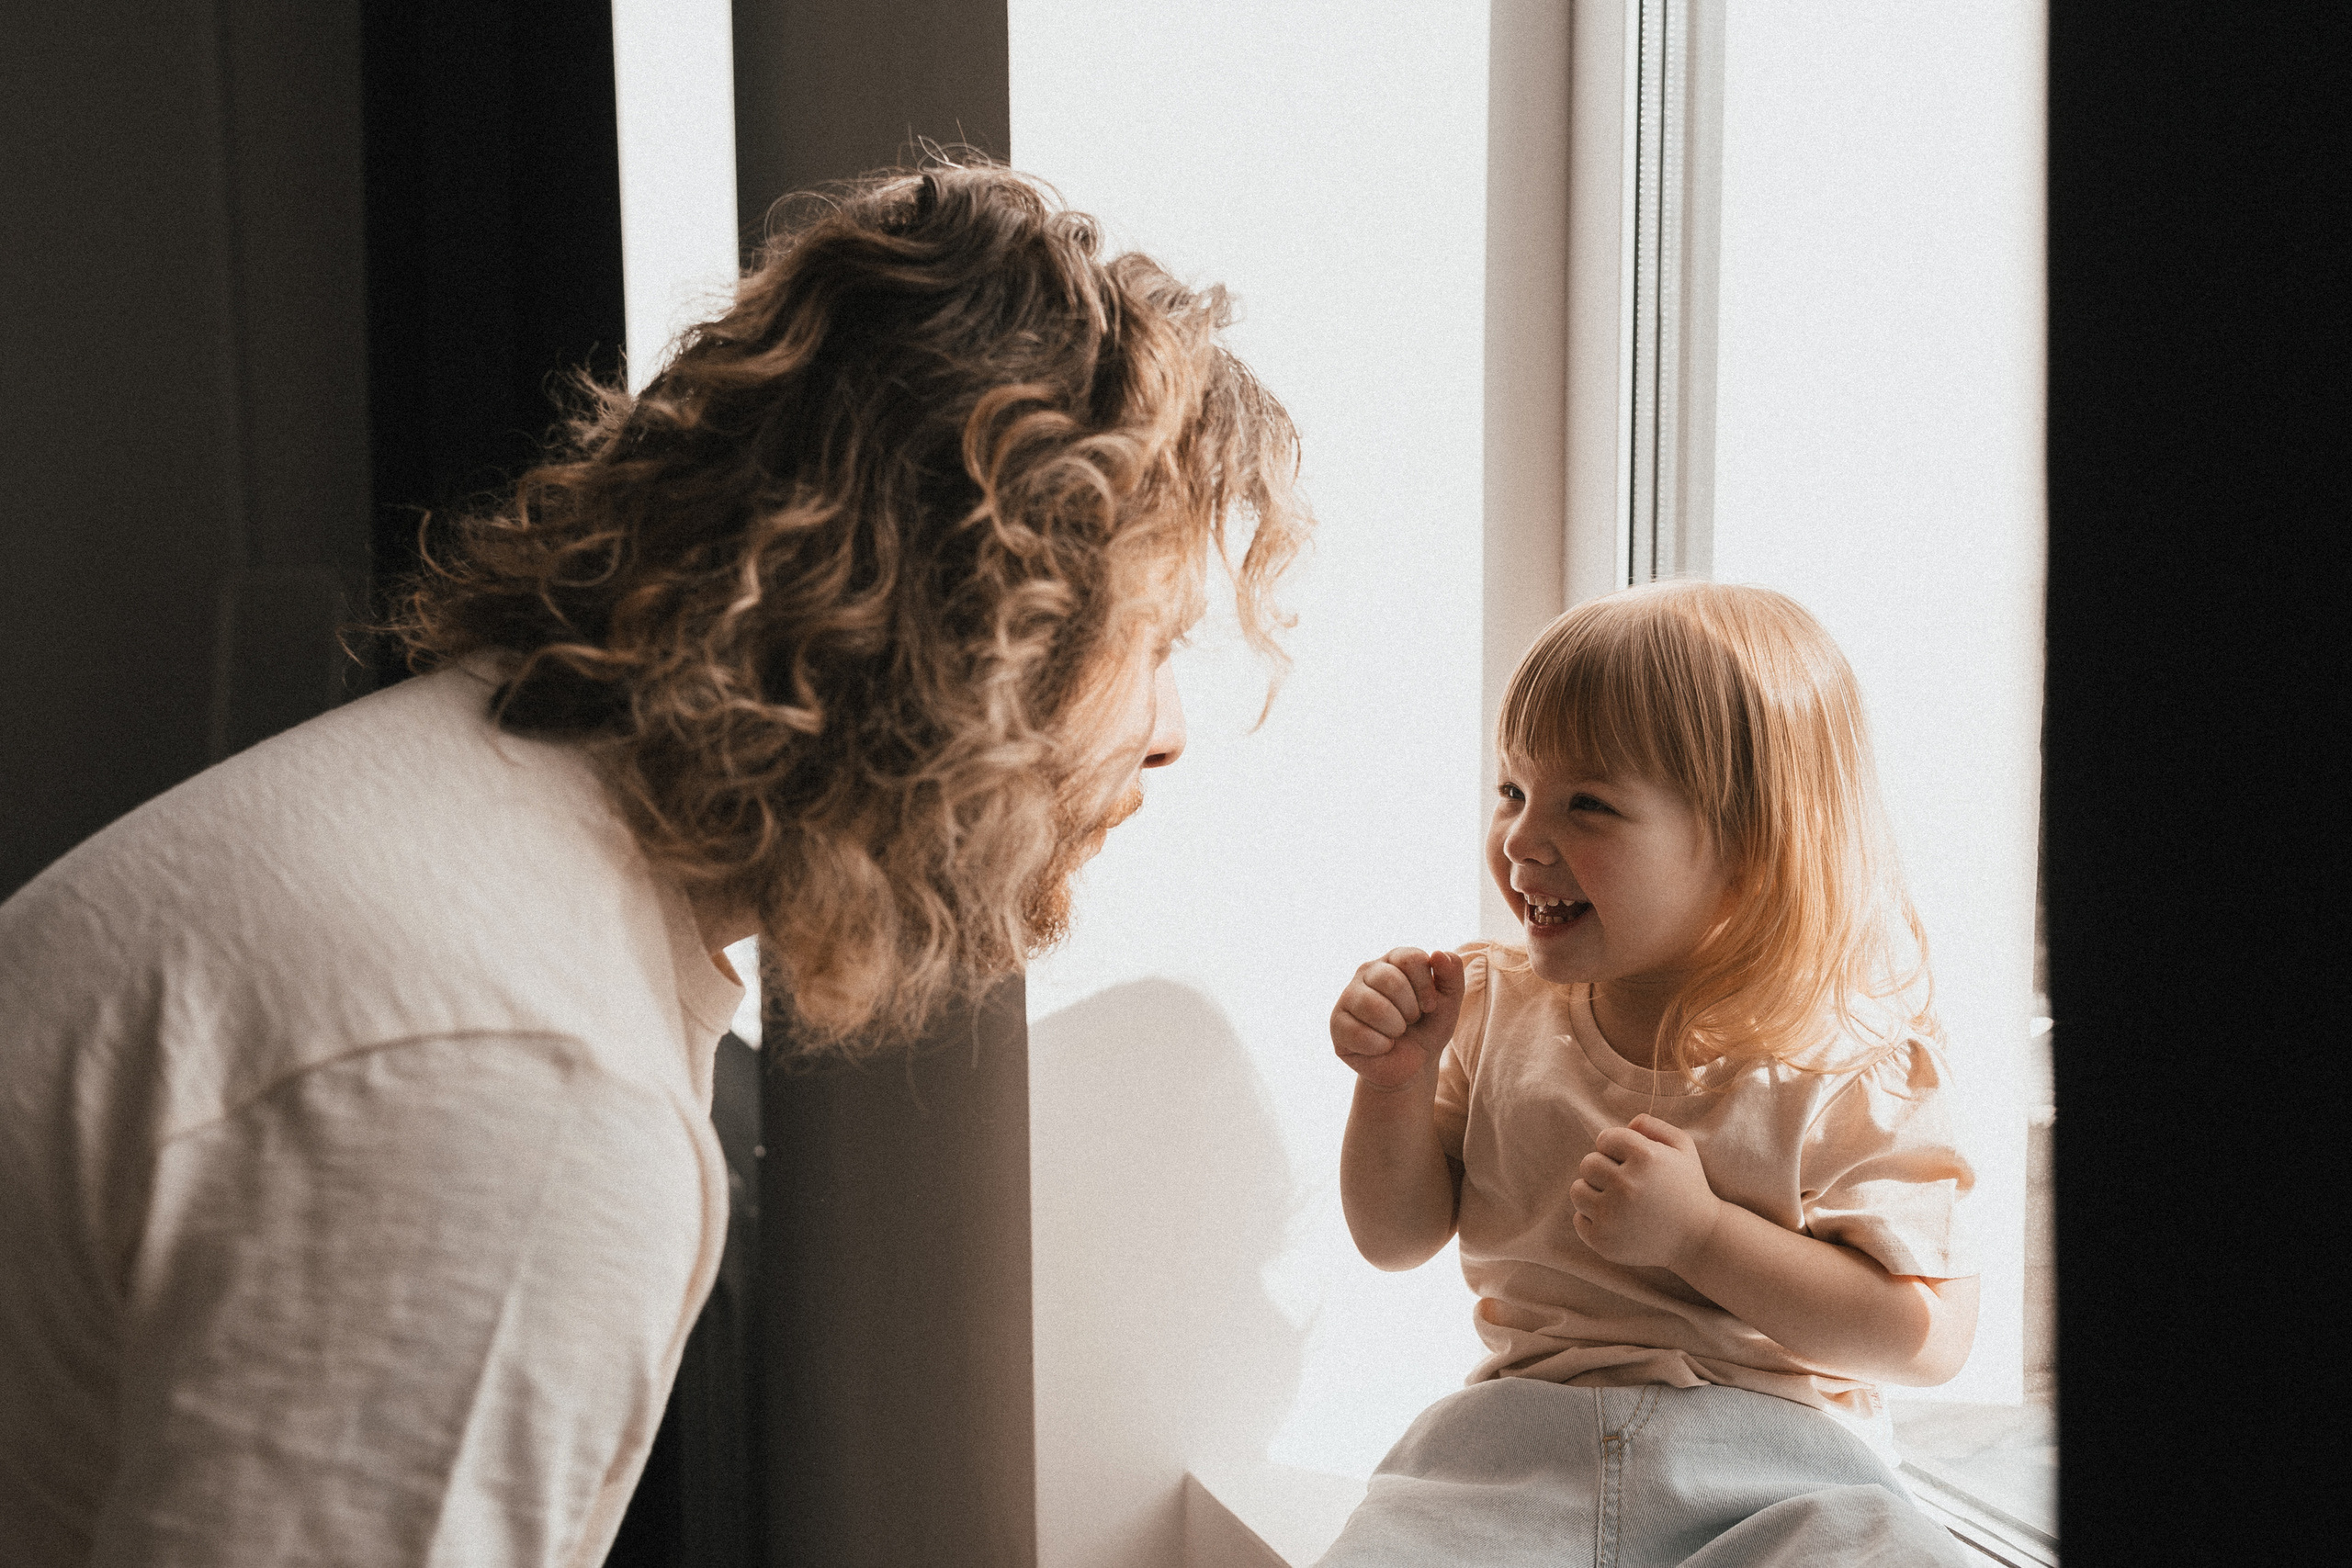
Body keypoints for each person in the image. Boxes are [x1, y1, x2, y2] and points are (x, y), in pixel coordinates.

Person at [0, 161, 1308, 1567]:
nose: (1168, 735)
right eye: (1156, 639)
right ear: (972, 630)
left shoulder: (464, 807)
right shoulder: (520, 1078)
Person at [1321, 581, 1978, 1566]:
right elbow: (1394, 1236)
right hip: (1512, 1459)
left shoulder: (1846, 1056)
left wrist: (1702, 1236)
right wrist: (1393, 1084)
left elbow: (1923, 1339)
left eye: (1586, 804)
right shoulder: (1496, 1008)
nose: (1521, 839)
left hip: (1777, 1471)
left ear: (1752, 848)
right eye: (1511, 789)